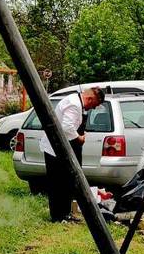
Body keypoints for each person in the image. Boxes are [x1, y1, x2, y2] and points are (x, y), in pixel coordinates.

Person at [38, 85, 106, 222]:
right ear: (90, 98)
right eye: (94, 105)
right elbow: (67, 127)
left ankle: (65, 213)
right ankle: (58, 216)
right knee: (58, 183)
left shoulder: (75, 101)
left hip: (61, 149)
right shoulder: (74, 105)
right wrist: (79, 138)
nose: (92, 108)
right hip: (55, 149)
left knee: (67, 182)